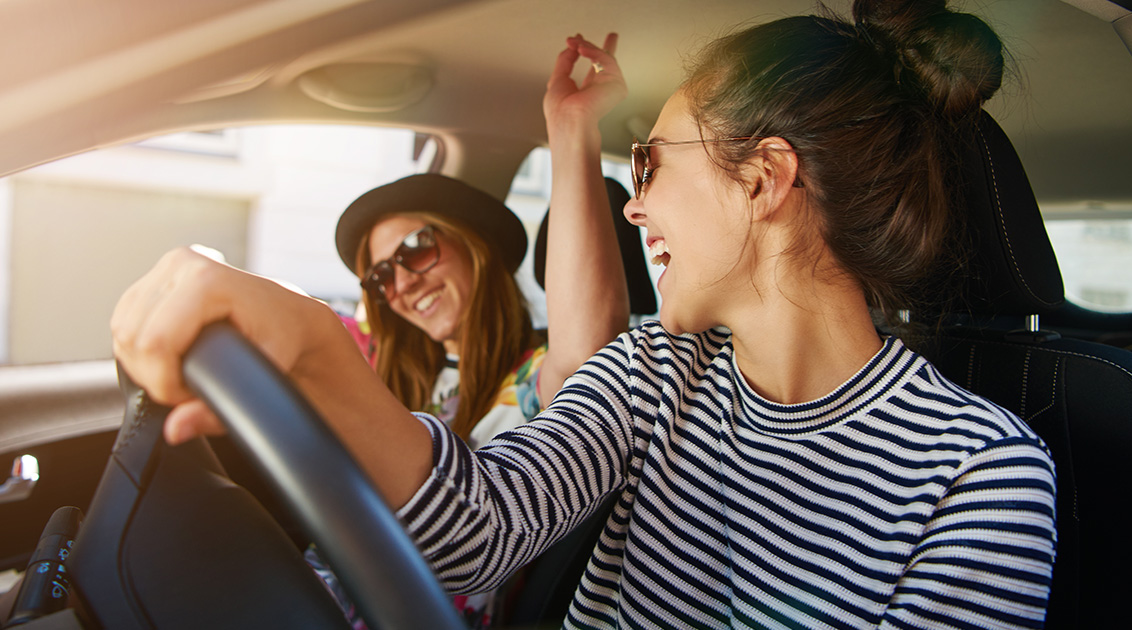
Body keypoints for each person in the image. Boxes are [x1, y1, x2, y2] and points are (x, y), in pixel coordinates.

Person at [111, 1, 1057, 628]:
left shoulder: (985, 476)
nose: (633, 204)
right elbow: (479, 525)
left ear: (763, 179)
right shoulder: (656, 372)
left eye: (648, 165)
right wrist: (317, 352)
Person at [305, 34, 632, 629]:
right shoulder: (399, 381)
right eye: (379, 278)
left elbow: (590, 350)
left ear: (473, 249)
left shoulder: (531, 380)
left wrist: (571, 127)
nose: (400, 283)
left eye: (414, 249)